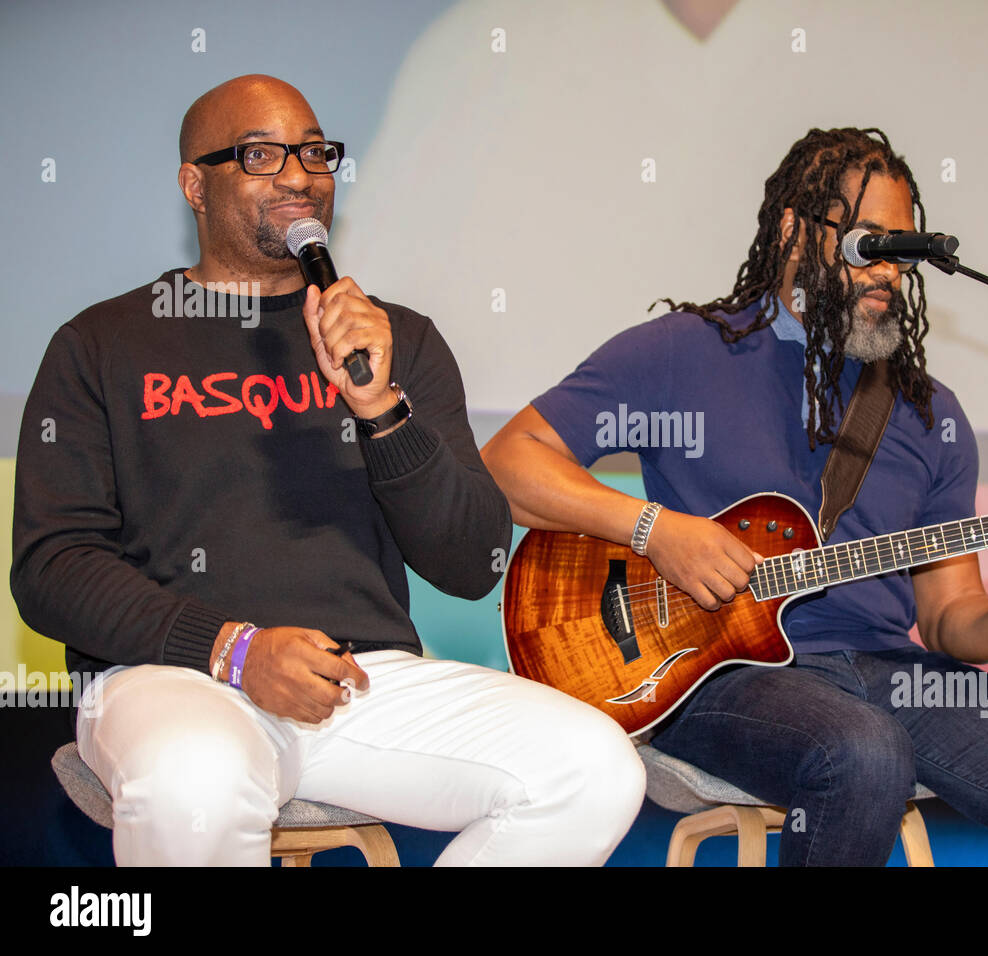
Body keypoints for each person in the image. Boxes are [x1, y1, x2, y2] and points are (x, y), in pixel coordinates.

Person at [482, 127, 988, 866]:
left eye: (904, 254)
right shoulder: (684, 351)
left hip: (889, 674)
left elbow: (946, 619)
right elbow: (508, 461)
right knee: (865, 753)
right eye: (872, 244)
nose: (890, 273)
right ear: (794, 230)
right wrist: (656, 530)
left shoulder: (927, 414)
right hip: (715, 672)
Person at [10, 74, 644, 866]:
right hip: (174, 675)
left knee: (592, 768)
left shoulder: (395, 341)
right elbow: (52, 568)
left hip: (361, 679)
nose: (301, 175)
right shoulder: (101, 345)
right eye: (261, 154)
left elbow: (473, 562)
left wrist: (381, 407)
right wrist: (235, 650)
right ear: (193, 185)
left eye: (315, 152)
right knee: (197, 778)